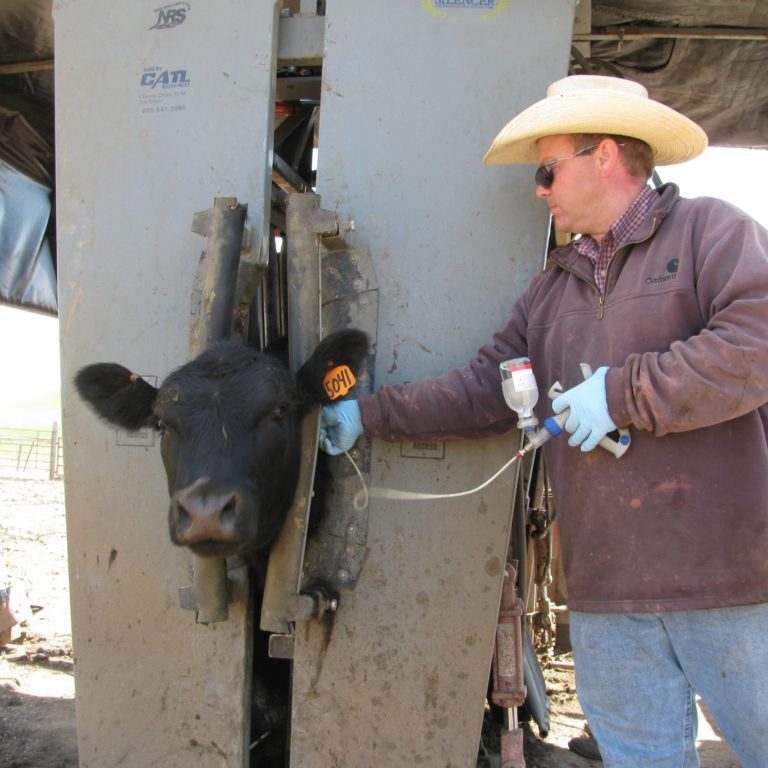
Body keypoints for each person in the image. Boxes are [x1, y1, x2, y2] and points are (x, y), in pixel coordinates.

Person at [318, 74, 768, 768]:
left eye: (547, 169)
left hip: (729, 585)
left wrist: (619, 393)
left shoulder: (714, 233)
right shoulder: (552, 290)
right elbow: (482, 391)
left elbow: (752, 350)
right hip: (606, 591)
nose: (539, 188)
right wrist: (367, 413)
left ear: (607, 157)